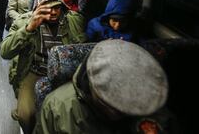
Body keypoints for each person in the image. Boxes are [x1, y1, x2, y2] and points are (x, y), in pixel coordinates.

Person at [0, 0, 87, 134]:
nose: (53, 12)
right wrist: (29, 29)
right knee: (26, 115)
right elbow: (5, 52)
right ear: (38, 6)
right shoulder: (23, 21)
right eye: (47, 8)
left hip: (67, 73)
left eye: (56, 7)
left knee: (74, 114)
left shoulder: (74, 20)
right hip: (35, 70)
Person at [35, 40, 171, 134]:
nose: (118, 114)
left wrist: (145, 125)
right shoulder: (57, 106)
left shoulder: (148, 101)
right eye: (111, 108)